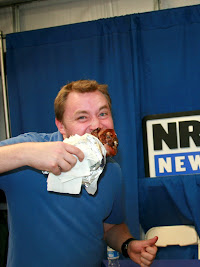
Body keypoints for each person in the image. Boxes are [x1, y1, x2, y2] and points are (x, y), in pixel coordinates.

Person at [0, 80, 158, 266]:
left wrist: (127, 245)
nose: (96, 125)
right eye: (82, 117)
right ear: (61, 126)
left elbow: (110, 226)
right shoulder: (29, 150)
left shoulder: (111, 171)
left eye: (103, 113)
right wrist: (26, 154)